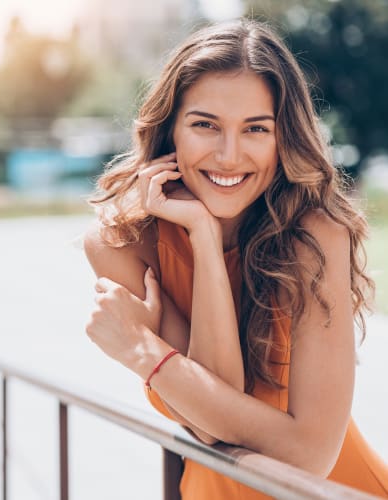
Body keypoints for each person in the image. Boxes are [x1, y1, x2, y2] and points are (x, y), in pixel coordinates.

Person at [83, 18, 388, 499]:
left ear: (282, 138)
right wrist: (204, 236)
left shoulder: (314, 235)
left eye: (255, 129)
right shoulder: (122, 245)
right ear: (171, 131)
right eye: (205, 125)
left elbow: (310, 455)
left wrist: (140, 349)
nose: (229, 155)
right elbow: (207, 419)